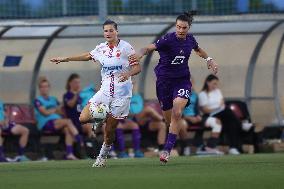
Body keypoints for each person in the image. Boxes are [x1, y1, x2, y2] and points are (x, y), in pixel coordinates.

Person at [129, 11, 218, 163]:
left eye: (184, 28)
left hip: (182, 80)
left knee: (177, 112)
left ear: (188, 28)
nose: (180, 30)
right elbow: (149, 48)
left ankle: (167, 150)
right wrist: (140, 53)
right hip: (164, 83)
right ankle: (173, 139)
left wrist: (209, 59)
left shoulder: (190, 40)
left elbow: (198, 50)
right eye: (178, 27)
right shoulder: (167, 40)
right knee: (169, 120)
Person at [50, 19, 141, 167]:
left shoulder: (126, 48)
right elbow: (87, 55)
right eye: (106, 31)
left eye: (111, 30)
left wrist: (128, 73)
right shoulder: (101, 48)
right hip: (104, 91)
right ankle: (101, 116)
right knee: (83, 118)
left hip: (122, 94)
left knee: (110, 129)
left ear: (117, 31)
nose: (108, 33)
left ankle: (102, 157)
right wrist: (65, 59)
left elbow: (137, 68)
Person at [34, 76, 81, 160]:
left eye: (46, 86)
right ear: (39, 89)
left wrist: (55, 110)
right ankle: (79, 140)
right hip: (45, 123)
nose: (44, 89)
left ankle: (69, 153)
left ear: (49, 88)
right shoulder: (38, 100)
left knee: (67, 129)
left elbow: (60, 111)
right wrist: (55, 109)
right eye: (42, 87)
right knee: (68, 121)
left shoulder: (53, 99)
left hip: (57, 121)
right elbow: (45, 113)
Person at [198, 74, 242, 155]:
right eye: (214, 83)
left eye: (216, 84)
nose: (216, 86)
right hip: (211, 115)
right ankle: (241, 124)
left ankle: (233, 147)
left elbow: (222, 102)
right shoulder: (202, 94)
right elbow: (205, 110)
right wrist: (217, 107)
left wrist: (219, 107)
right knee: (230, 115)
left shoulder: (218, 91)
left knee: (232, 123)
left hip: (222, 113)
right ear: (208, 83)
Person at [183, 78, 223, 155]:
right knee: (182, 124)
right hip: (184, 119)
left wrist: (198, 116)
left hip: (195, 118)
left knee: (217, 122)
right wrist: (188, 118)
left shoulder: (195, 95)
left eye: (191, 83)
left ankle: (209, 147)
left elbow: (197, 109)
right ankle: (186, 147)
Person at [63, 73, 93, 138]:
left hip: (84, 121)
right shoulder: (67, 95)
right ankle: (91, 146)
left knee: (103, 124)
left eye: (79, 82)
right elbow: (70, 104)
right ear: (70, 83)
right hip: (75, 123)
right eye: (76, 82)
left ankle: (108, 146)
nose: (78, 84)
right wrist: (76, 94)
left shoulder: (81, 96)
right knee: (90, 126)